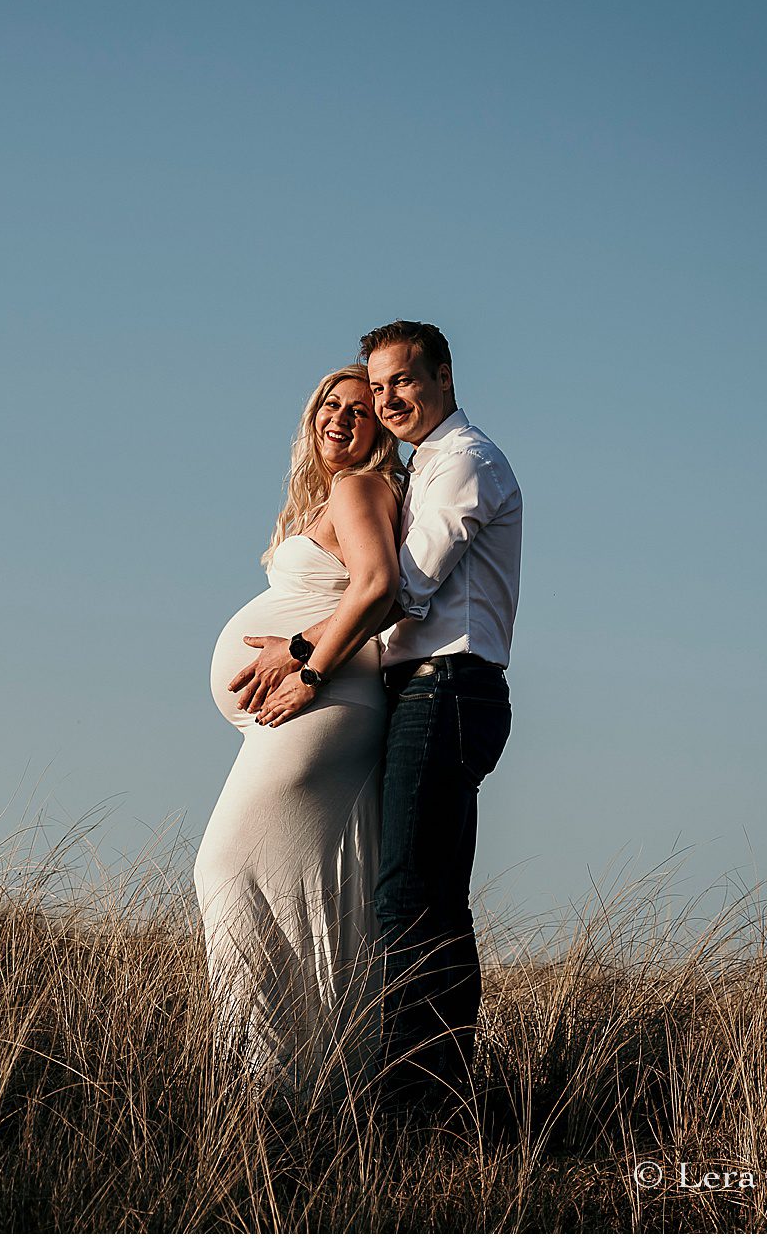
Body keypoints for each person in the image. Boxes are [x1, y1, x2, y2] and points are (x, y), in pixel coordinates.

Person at [231, 320, 521, 1114]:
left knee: (409, 904)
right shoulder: (427, 467)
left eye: (402, 381)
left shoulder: (464, 462)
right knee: (421, 898)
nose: (389, 398)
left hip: (445, 689)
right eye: (378, 384)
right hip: (421, 693)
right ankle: (431, 1093)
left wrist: (303, 655)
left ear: (445, 375)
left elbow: (403, 589)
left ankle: (413, 1108)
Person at [197, 365, 405, 1100]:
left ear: (383, 428)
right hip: (315, 709)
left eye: (360, 409)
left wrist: (307, 665)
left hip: (321, 704)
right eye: (330, 403)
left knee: (226, 871)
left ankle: (269, 1084)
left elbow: (382, 589)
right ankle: (317, 1084)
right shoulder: (339, 495)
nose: (341, 418)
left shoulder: (360, 489)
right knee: (295, 891)